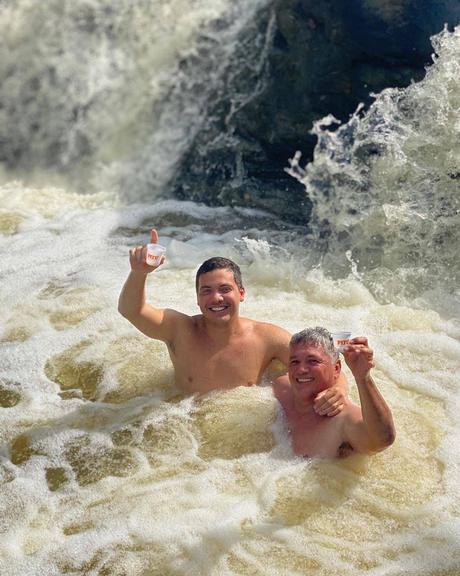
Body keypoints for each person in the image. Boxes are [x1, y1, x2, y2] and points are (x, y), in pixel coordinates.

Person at [118, 229, 346, 415]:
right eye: (206, 291)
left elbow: (325, 362)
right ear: (197, 299)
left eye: (225, 289)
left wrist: (339, 390)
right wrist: (139, 273)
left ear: (242, 293)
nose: (216, 298)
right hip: (182, 423)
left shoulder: (267, 338)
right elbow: (131, 310)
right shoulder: (180, 329)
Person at [273, 327, 396, 458]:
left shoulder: (342, 420)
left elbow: (383, 440)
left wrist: (363, 378)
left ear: (336, 369)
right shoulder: (281, 389)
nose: (301, 369)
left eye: (313, 361)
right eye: (294, 362)